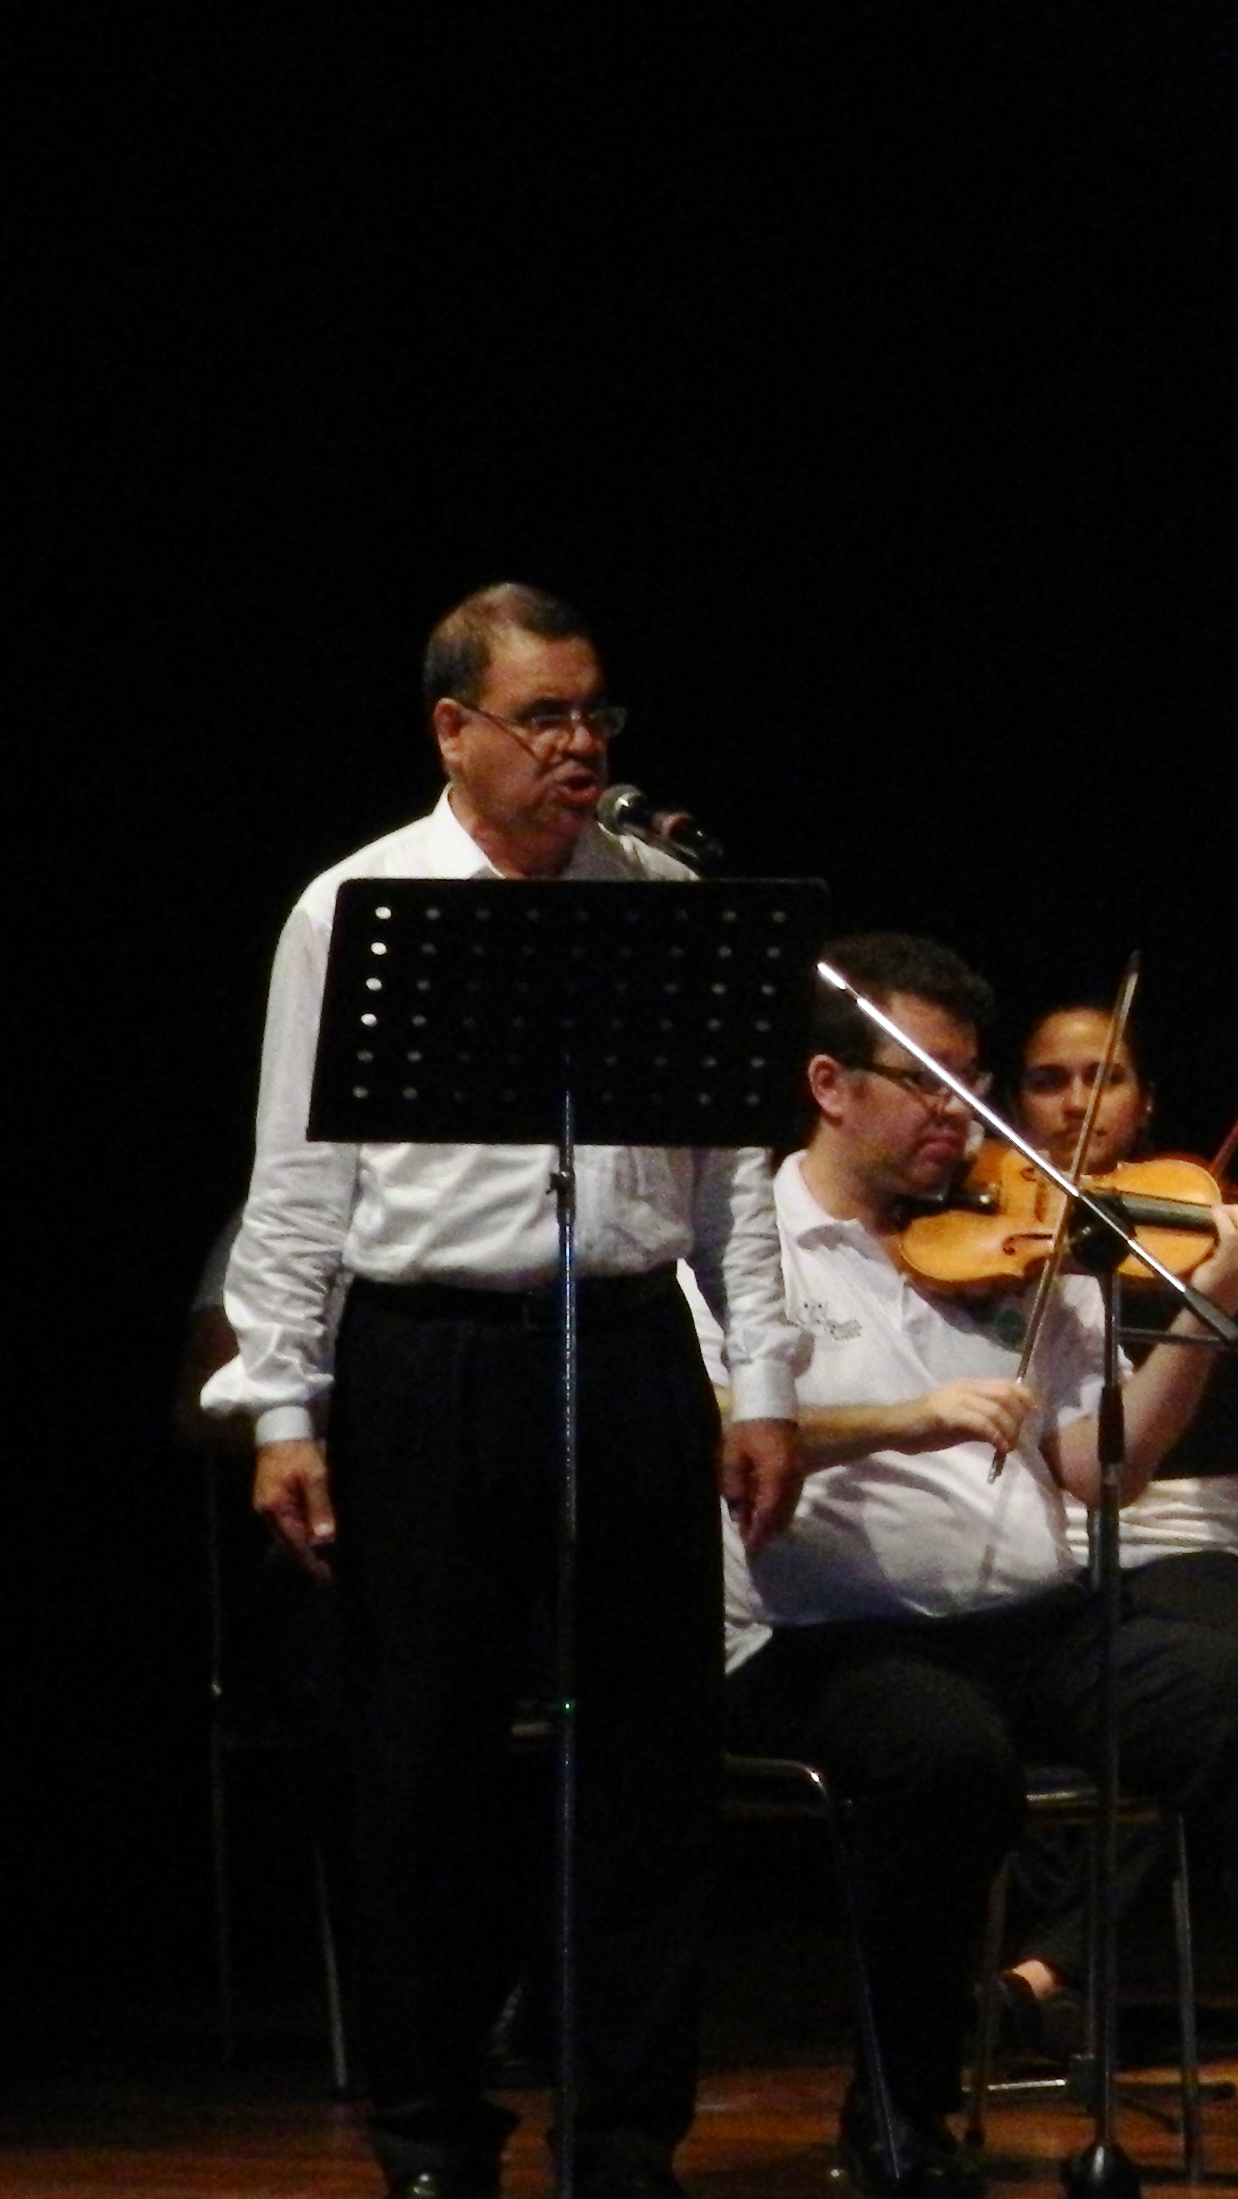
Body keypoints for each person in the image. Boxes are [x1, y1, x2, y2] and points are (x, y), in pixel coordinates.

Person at [208, 584, 804, 2199]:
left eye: (595, 712)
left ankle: (624, 2132)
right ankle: (429, 2131)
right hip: (428, 1356)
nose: (578, 744)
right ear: (453, 730)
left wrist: (761, 1381)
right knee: (422, 1759)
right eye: (543, 716)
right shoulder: (356, 904)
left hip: (628, 1345)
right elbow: (296, 1179)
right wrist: (284, 1408)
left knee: (652, 1763)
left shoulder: (662, 893)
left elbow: (733, 1178)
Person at [720, 935, 1238, 2198]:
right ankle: (902, 2114)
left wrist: (1211, 1306)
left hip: (1036, 1626)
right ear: (830, 1085)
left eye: (971, 1084)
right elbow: (714, 1433)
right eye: (927, 1083)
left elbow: (1105, 1468)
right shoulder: (747, 1241)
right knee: (943, 1750)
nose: (961, 1116)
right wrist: (911, 1417)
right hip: (829, 1639)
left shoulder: (1030, 1238)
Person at [987, 1002, 1238, 2048]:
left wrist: (1229, 1291)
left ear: (1146, 1102)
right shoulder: (983, 1237)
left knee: (1223, 1682)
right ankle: (1054, 1968)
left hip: (1182, 1533)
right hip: (1039, 1538)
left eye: (1105, 1077)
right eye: (1048, 1080)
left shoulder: (1197, 1229)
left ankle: (1046, 1967)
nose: (1077, 1102)